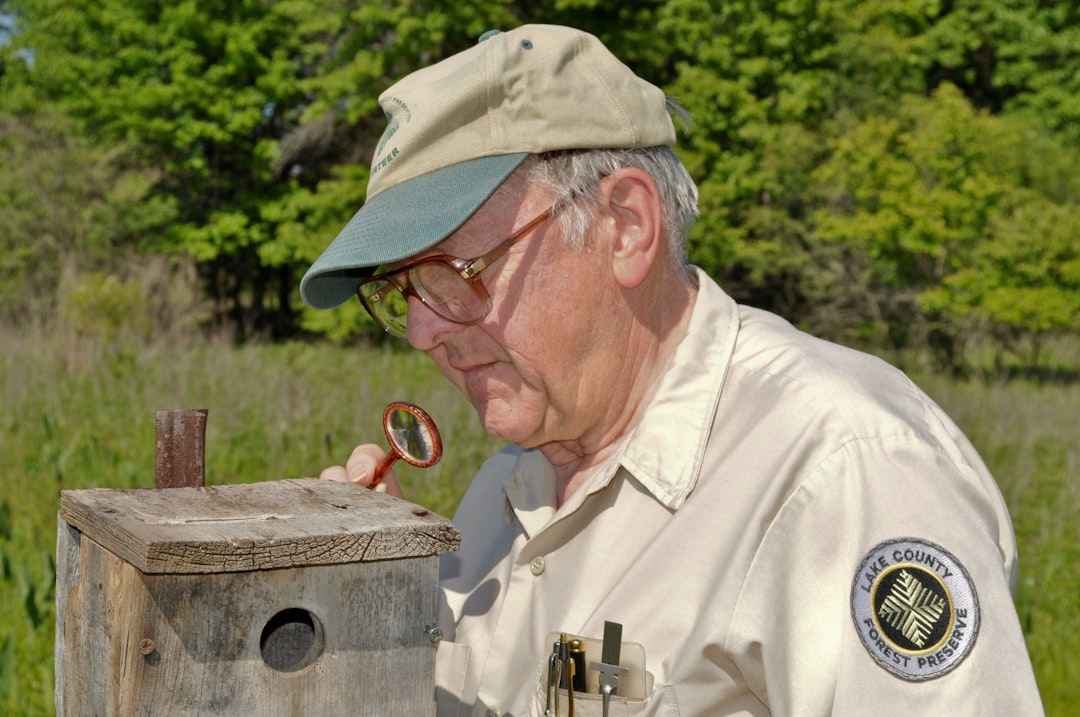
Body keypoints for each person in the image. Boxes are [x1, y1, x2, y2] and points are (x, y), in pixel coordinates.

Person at [301, 24, 1044, 717]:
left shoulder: (844, 468)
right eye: (401, 291)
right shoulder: (506, 484)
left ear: (625, 226)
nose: (425, 329)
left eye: (454, 271)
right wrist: (380, 604)